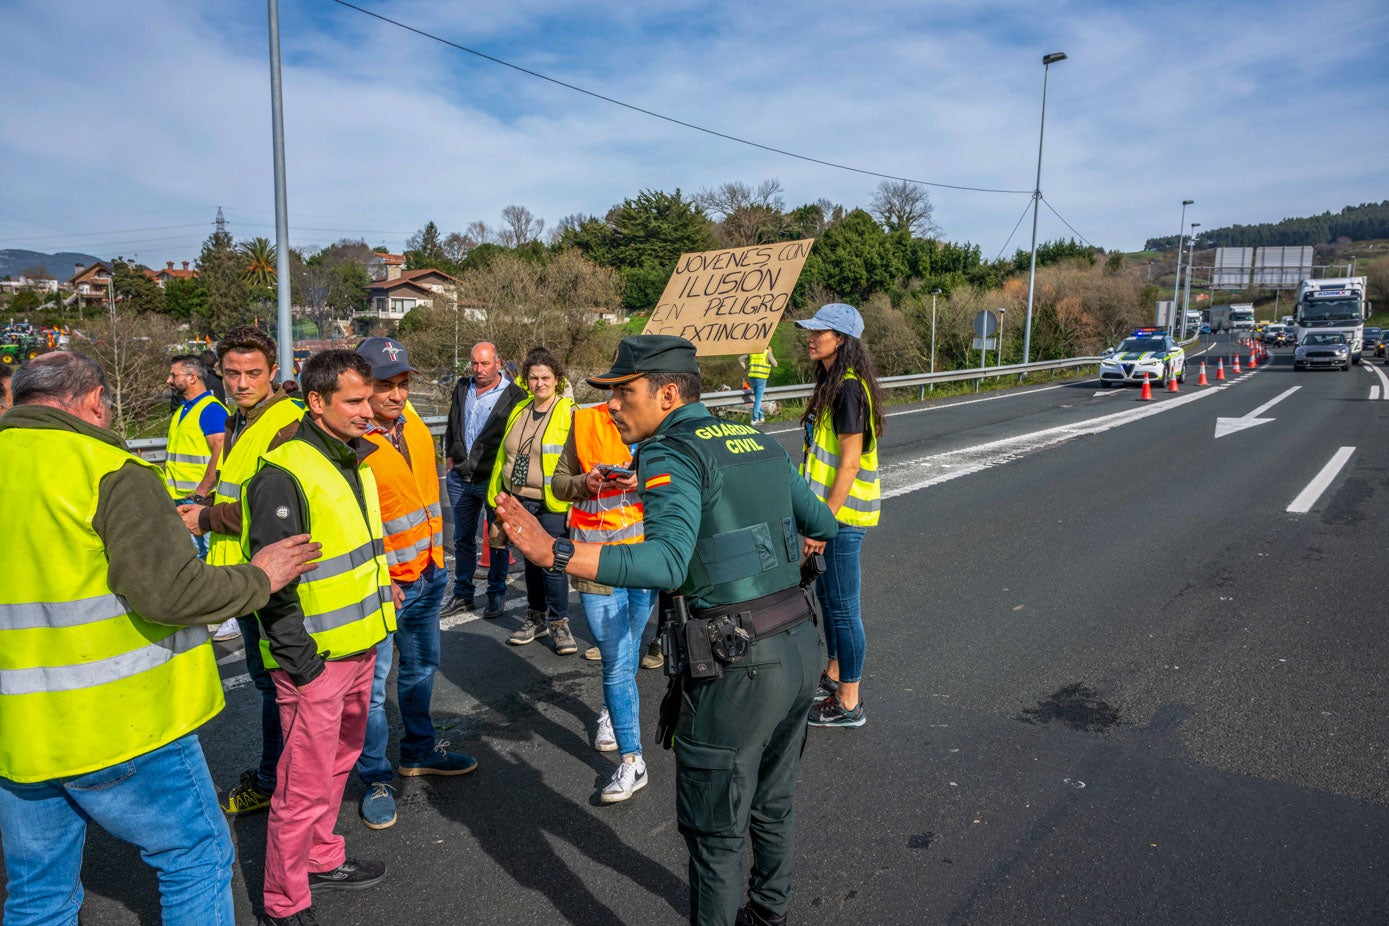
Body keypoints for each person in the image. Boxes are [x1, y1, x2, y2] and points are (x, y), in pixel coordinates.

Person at [495, 335, 837, 926]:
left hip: (736, 670)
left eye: (625, 392)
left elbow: (668, 564)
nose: (614, 406)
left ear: (668, 393)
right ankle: (768, 913)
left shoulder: (669, 451)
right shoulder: (754, 436)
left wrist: (557, 552)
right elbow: (821, 520)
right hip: (801, 648)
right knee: (772, 805)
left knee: (714, 834)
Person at [0, 352, 320, 926]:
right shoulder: (106, 469)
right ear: (96, 399)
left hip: (16, 731)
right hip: (118, 720)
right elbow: (171, 593)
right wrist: (260, 576)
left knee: (38, 893)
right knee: (195, 856)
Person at [243, 349, 397, 926]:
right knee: (301, 786)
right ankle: (285, 902)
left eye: (368, 397)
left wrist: (385, 594)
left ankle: (320, 858)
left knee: (337, 764)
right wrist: (302, 665)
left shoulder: (352, 459)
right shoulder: (284, 473)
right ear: (317, 402)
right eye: (354, 401)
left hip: (360, 646)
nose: (369, 409)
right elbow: (272, 583)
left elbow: (352, 554)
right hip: (317, 662)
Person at [177, 326, 305, 816]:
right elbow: (236, 484)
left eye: (253, 373)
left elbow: (273, 506)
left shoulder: (285, 421)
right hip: (247, 573)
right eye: (232, 373)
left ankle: (278, 781)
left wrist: (206, 517)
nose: (242, 382)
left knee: (279, 686)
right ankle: (280, 777)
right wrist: (206, 502)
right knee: (268, 683)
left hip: (272, 574)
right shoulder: (241, 418)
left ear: (273, 372)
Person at [352, 337, 478, 831]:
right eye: (386, 385)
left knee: (422, 667)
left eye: (403, 384)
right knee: (373, 688)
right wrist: (381, 579)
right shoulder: (351, 441)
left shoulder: (418, 430)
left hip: (426, 574)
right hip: (384, 586)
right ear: (362, 386)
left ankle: (419, 751)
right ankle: (377, 777)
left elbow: (428, 501)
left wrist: (439, 564)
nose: (397, 395)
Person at [551, 403, 658, 802]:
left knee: (625, 654)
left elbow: (677, 483)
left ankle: (614, 713)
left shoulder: (654, 419)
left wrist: (640, 480)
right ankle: (633, 762)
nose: (617, 397)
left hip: (644, 558)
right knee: (616, 657)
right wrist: (586, 482)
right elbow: (559, 484)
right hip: (594, 559)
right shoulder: (584, 420)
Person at [795, 303, 884, 730]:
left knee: (845, 609)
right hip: (830, 515)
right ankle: (833, 675)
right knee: (830, 602)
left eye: (820, 332)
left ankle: (849, 701)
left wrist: (824, 522)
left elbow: (848, 463)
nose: (810, 337)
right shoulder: (833, 383)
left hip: (842, 518)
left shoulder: (848, 388)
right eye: (810, 331)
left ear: (842, 340)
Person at [488, 347, 577, 653]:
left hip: (553, 502)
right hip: (519, 500)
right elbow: (505, 455)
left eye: (546, 378)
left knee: (552, 564)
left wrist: (574, 504)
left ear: (557, 380)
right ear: (527, 380)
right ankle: (536, 619)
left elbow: (580, 459)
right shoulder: (520, 409)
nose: (540, 383)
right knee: (530, 563)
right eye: (534, 378)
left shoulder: (568, 411)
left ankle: (560, 623)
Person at [441, 341, 527, 618]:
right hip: (460, 477)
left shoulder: (515, 395)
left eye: (485, 363)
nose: (478, 369)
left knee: (498, 539)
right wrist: (450, 455)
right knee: (462, 538)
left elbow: (521, 439)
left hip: (493, 478)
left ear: (498, 363)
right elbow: (453, 421)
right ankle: (463, 595)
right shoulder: (463, 387)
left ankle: (496, 594)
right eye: (475, 363)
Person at [165, 354, 228, 566]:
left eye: (174, 375)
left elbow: (220, 450)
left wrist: (202, 491)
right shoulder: (184, 409)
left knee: (209, 557)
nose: (169, 380)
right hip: (182, 497)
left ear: (192, 377)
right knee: (192, 558)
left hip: (200, 499)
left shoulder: (210, 410)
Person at [738, 345, 777, 425]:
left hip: (752, 377)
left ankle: (761, 416)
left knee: (757, 398)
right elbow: (775, 364)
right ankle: (754, 419)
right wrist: (770, 353)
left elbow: (740, 359)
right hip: (761, 378)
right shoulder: (767, 353)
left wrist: (746, 369)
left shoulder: (753, 352)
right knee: (758, 399)